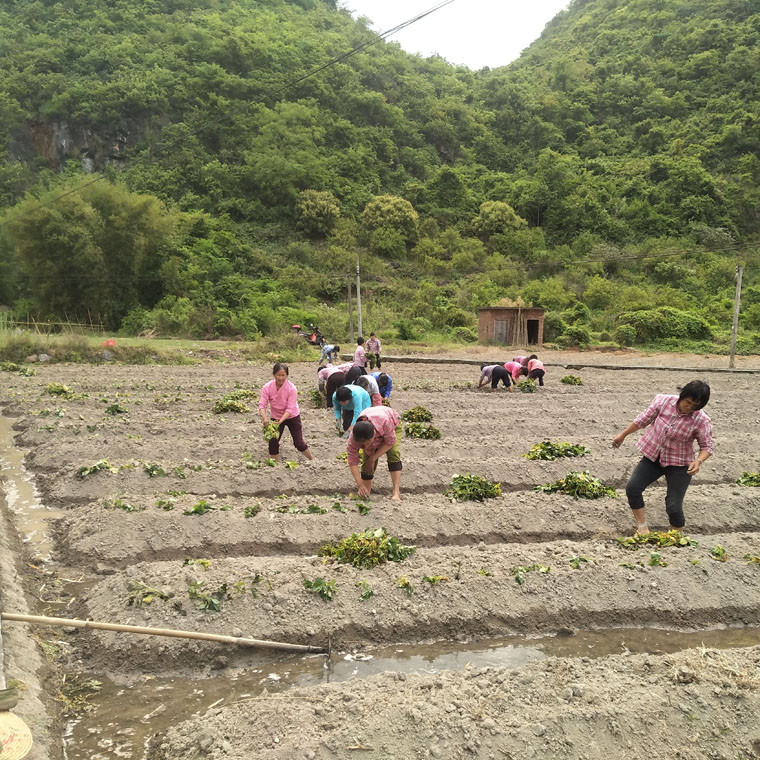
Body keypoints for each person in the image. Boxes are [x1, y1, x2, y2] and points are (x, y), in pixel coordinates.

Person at [612, 380, 713, 535]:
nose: (690, 407)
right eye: (688, 402)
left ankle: (675, 536)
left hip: (679, 464)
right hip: (654, 457)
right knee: (633, 488)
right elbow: (643, 420)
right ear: (682, 395)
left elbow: (706, 447)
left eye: (695, 406)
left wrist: (698, 461)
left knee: (673, 506)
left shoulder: (701, 420)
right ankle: (642, 527)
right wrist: (623, 435)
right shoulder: (663, 401)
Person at [258, 363, 313, 462]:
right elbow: (262, 405)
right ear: (274, 375)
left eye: (283, 375)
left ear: (287, 375)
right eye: (278, 375)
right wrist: (265, 418)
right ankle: (275, 465)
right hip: (276, 417)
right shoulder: (267, 387)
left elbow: (290, 409)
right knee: (273, 442)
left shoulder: (292, 388)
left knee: (298, 443)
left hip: (292, 416)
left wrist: (281, 421)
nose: (281, 378)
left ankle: (312, 460)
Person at [346, 405, 402, 500]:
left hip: (393, 423)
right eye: (362, 445)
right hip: (372, 424)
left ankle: (396, 492)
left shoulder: (385, 422)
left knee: (393, 453)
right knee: (366, 461)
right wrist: (360, 484)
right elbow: (352, 461)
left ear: (374, 435)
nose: (366, 447)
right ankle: (366, 491)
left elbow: (390, 443)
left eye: (367, 443)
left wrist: (373, 459)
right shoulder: (353, 438)